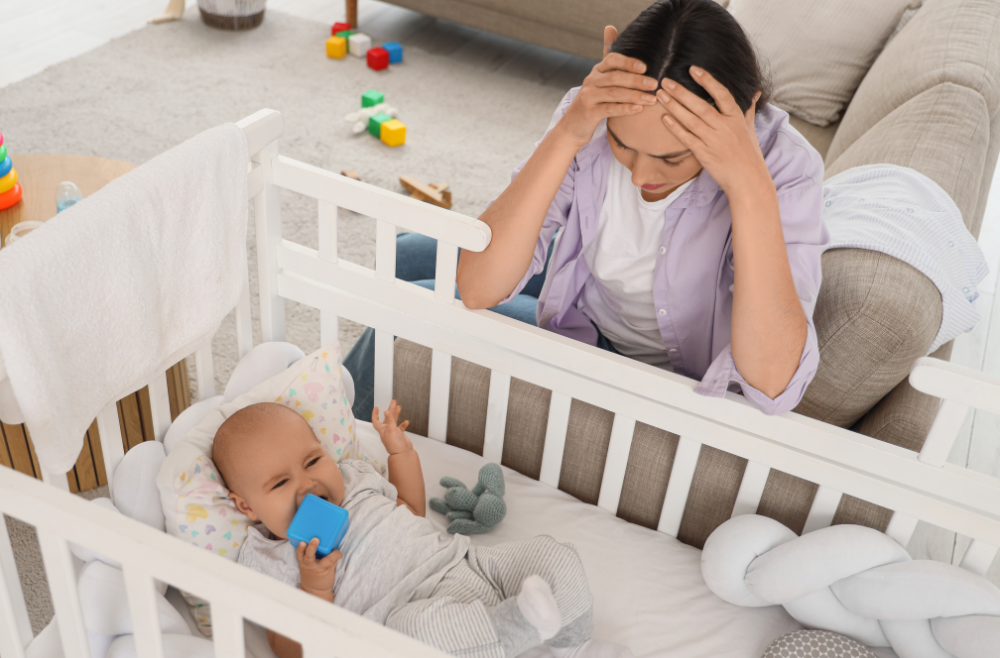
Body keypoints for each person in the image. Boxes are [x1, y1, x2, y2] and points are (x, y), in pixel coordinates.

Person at [344, 0, 828, 421]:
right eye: (622, 145)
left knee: (412, 305)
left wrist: (748, 187)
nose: (639, 178)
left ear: (744, 116)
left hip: (628, 351)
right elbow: (480, 281)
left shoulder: (785, 167)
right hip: (589, 292)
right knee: (405, 253)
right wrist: (571, 130)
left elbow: (772, 383)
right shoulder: (596, 113)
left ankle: (319, 434)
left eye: (671, 158)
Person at [214, 402, 628, 658]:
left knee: (551, 555)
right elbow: (288, 650)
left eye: (311, 462)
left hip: (464, 565)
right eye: (280, 483)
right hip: (404, 617)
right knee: (416, 637)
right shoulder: (268, 556)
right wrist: (315, 586)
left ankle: (571, 643)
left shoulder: (355, 477)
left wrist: (401, 452)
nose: (307, 484)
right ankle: (521, 626)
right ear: (246, 505)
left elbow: (410, 509)